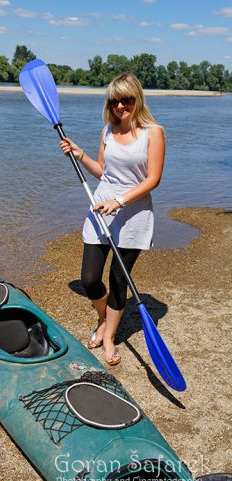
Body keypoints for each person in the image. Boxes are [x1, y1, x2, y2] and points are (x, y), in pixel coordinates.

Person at [60, 72, 165, 366]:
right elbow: (103, 172)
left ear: (137, 99)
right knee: (90, 279)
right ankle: (104, 319)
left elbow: (153, 179)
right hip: (100, 210)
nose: (120, 106)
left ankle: (108, 335)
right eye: (115, 100)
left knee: (119, 280)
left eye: (126, 99)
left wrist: (118, 201)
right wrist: (79, 155)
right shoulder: (108, 130)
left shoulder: (153, 132)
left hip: (133, 214)